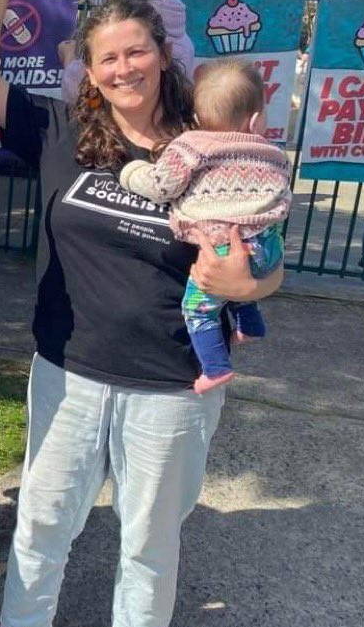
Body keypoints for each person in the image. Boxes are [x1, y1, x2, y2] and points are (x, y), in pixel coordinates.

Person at [0, 0, 284, 627]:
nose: (123, 68)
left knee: (149, 536)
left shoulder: (206, 144)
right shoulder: (61, 131)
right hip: (68, 371)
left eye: (136, 52)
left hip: (172, 381)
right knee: (43, 521)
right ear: (89, 70)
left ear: (163, 55)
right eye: (107, 58)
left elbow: (266, 254)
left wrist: (251, 285)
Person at [118, 59, 291, 393]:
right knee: (241, 275)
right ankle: (250, 325)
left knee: (197, 310)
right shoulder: (273, 154)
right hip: (269, 247)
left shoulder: (192, 145)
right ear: (255, 119)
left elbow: (162, 186)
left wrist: (131, 172)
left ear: (196, 119)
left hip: (223, 249)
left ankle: (215, 368)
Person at [59, 0, 195, 102]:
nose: (124, 71)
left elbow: (79, 91)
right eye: (111, 59)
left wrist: (69, 60)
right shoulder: (178, 29)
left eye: (136, 53)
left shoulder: (114, 31)